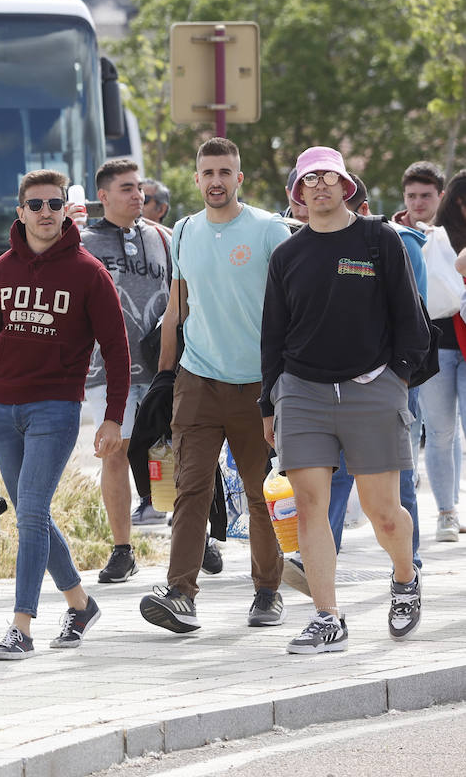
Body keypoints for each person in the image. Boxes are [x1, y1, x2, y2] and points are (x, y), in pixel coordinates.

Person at [0, 169, 127, 659]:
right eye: (36, 205)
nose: (45, 213)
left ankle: (21, 626)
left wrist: (113, 417)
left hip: (56, 407)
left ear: (64, 209)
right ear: (20, 211)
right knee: (34, 514)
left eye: (54, 204)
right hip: (2, 413)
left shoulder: (89, 273)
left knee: (29, 513)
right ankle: (80, 604)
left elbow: (116, 350)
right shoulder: (1, 272)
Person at [260, 146, 428, 653]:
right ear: (298, 193)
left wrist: (395, 379)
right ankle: (327, 615)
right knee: (310, 509)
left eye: (329, 177)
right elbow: (272, 335)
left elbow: (410, 318)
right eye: (309, 180)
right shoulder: (287, 254)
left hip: (371, 387)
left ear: (346, 185)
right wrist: (270, 403)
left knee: (384, 512)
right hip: (302, 393)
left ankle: (404, 578)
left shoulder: (379, 238)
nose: (320, 186)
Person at [141, 137, 291, 633]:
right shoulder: (184, 232)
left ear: (239, 178)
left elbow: (294, 305)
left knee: (257, 493)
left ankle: (268, 590)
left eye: (225, 172)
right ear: (197, 178)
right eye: (207, 173)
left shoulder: (269, 229)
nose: (216, 182)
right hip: (197, 380)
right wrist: (165, 380)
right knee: (190, 489)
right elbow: (176, 310)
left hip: (258, 387)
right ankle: (180, 593)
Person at [313, 176, 426, 579]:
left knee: (397, 488)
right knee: (336, 477)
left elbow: (415, 314)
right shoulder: (310, 248)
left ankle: (406, 564)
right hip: (327, 390)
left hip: (387, 385)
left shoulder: (395, 242)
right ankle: (323, 562)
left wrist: (398, 378)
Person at [80, 159, 174, 583]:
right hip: (104, 370)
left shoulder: (162, 238)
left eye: (140, 189)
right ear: (103, 197)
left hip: (162, 366)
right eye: (126, 189)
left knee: (174, 450)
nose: (138, 195)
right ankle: (123, 549)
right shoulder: (79, 242)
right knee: (114, 453)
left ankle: (191, 537)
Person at [399, 163, 466, 542]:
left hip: (464, 338)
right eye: (412, 195)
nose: (418, 202)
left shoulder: (450, 233)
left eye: (426, 195)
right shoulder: (398, 235)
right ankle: (446, 513)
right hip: (434, 346)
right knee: (439, 432)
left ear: (442, 197)